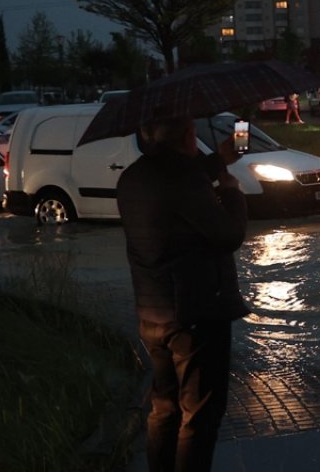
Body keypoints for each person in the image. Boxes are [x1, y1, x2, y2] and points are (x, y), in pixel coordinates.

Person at [116, 117, 249, 472]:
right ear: (189, 135)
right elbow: (228, 235)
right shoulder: (185, 180)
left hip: (153, 311)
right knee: (199, 416)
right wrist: (232, 190)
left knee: (165, 407)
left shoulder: (132, 178)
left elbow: (175, 189)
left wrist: (217, 162)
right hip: (196, 312)